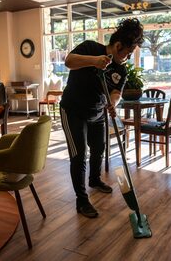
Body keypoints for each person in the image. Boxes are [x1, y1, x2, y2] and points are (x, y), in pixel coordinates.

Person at [60, 18, 144, 218]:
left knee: (99, 148)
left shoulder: (120, 70)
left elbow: (116, 93)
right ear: (117, 45)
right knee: (79, 155)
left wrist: (112, 104)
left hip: (97, 113)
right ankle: (81, 201)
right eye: (128, 53)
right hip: (73, 110)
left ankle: (94, 180)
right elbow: (69, 62)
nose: (128, 58)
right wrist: (94, 61)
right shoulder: (90, 47)